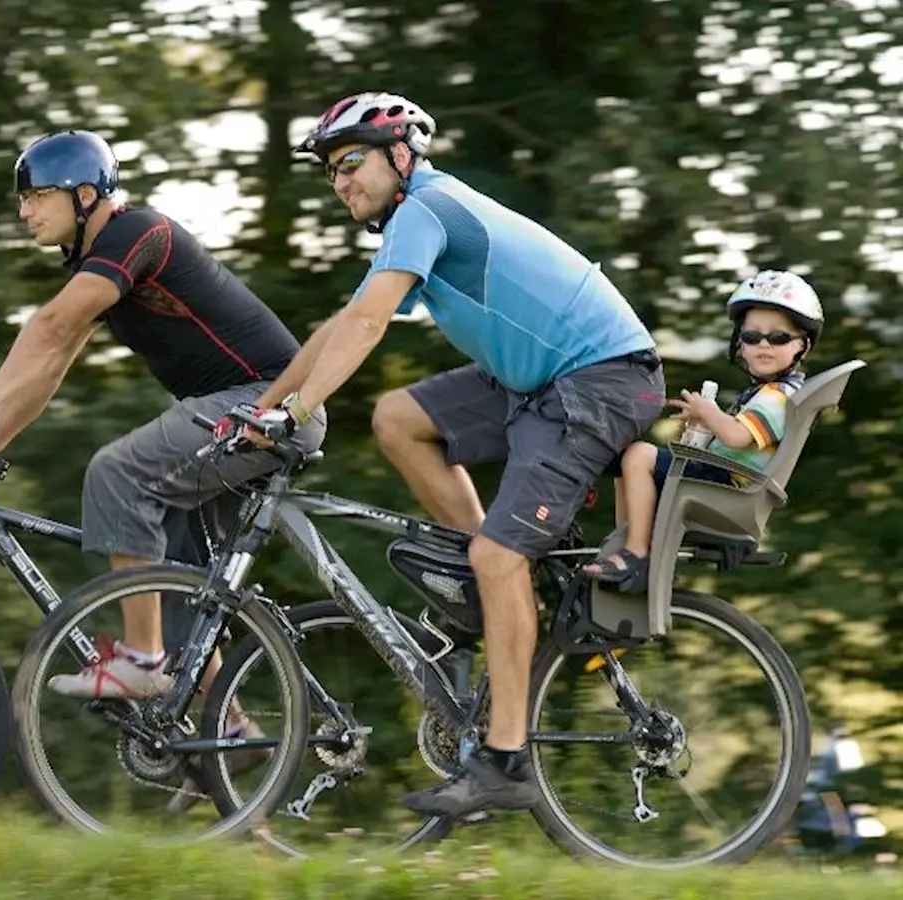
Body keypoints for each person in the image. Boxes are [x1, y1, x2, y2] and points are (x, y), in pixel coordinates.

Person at [237, 91, 666, 822]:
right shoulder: (414, 219)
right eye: (331, 173)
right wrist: (261, 406)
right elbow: (344, 322)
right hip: (534, 380)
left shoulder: (426, 211)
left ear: (401, 155)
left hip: (599, 380)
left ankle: (505, 762)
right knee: (398, 418)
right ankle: (488, 579)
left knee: (500, 559)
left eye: (351, 164)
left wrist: (299, 413)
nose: (341, 182)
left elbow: (371, 324)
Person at [0, 130, 326, 717]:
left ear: (85, 194)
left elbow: (50, 328)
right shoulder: (102, 265)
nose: (23, 210)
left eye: (36, 196)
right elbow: (52, 365)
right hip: (228, 420)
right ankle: (228, 736)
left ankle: (142, 663)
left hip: (269, 406)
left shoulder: (139, 233)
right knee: (179, 576)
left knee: (116, 473)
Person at [582, 270, 823, 591]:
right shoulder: (771, 394)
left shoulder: (778, 397)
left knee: (639, 455)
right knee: (626, 461)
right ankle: (628, 539)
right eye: (752, 337)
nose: (763, 345)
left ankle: (637, 554)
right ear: (740, 344)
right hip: (722, 478)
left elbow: (737, 437)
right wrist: (705, 424)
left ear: (802, 347)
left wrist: (709, 413)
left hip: (727, 488)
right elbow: (739, 437)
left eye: (778, 337)